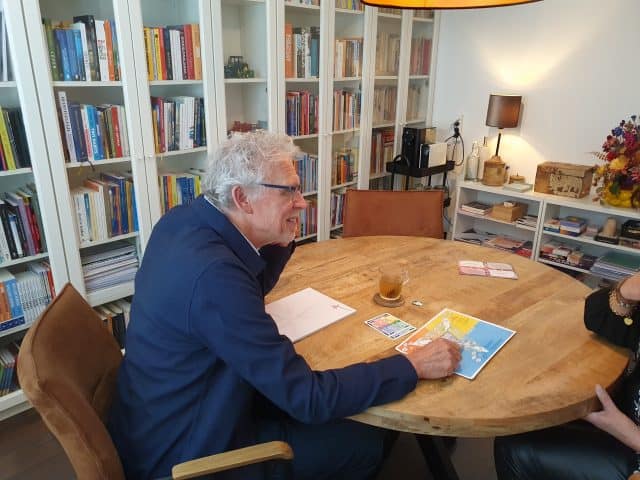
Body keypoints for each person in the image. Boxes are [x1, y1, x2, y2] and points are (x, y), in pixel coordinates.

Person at [107, 131, 462, 480]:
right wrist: (411, 365)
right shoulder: (215, 277)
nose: (302, 202)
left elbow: (249, 288)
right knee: (364, 441)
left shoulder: (183, 221)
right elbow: (309, 398)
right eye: (288, 191)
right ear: (242, 198)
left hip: (159, 417)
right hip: (186, 454)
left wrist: (278, 235)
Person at [494, 272, 640, 480]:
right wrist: (626, 292)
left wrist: (626, 432)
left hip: (631, 447)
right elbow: (596, 317)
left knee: (514, 447)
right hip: (623, 411)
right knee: (534, 408)